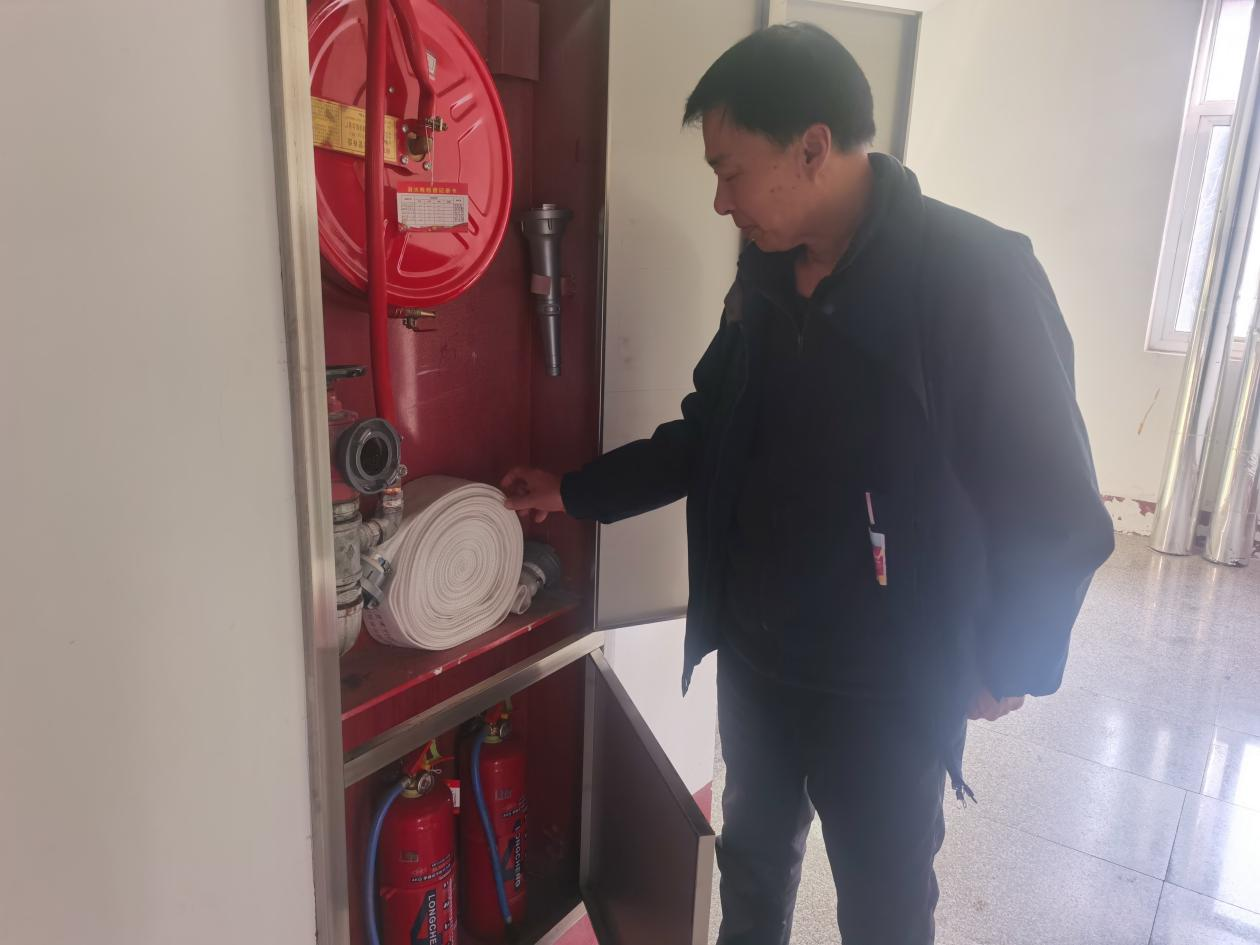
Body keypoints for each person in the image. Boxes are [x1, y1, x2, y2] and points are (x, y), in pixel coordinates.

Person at [501, 23, 1115, 945]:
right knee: (751, 875)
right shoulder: (762, 274)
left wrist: (1012, 657)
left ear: (813, 148)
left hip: (890, 680)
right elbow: (709, 431)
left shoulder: (973, 276)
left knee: (884, 905)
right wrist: (576, 491)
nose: (719, 200)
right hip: (761, 659)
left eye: (730, 170)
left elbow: (1058, 504)